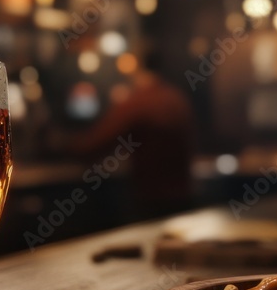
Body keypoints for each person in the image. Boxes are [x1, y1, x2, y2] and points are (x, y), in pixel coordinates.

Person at [68, 50, 195, 219]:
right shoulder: (176, 98)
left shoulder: (139, 102)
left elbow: (94, 145)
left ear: (137, 69)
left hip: (151, 203)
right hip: (184, 199)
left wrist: (63, 146)